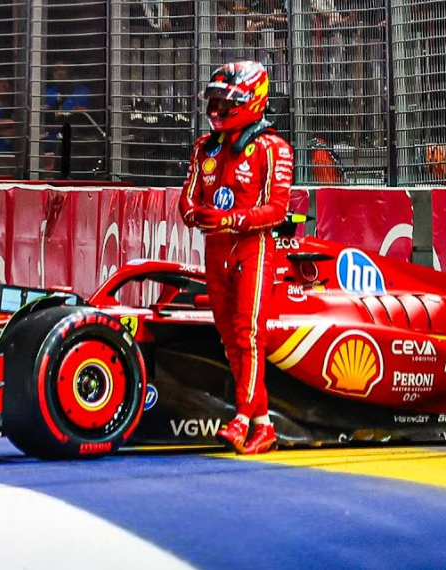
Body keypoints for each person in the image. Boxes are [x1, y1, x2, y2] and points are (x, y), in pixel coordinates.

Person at [179, 60, 292, 455]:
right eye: (214, 100)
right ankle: (264, 425)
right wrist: (200, 216)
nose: (217, 109)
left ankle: (242, 418)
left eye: (227, 101)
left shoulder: (273, 148)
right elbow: (187, 203)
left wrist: (230, 219)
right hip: (215, 251)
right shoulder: (203, 148)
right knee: (231, 340)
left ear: (252, 100)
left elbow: (277, 211)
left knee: (248, 335)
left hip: (254, 249)